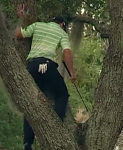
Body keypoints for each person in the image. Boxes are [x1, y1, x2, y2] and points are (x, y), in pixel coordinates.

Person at [15, 5, 75, 150]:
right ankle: (56, 125)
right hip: (48, 66)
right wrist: (72, 73)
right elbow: (67, 53)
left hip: (32, 67)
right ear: (62, 25)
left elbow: (19, 35)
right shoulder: (62, 33)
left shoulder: (38, 25)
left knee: (31, 104)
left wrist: (21, 19)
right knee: (62, 94)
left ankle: (27, 142)